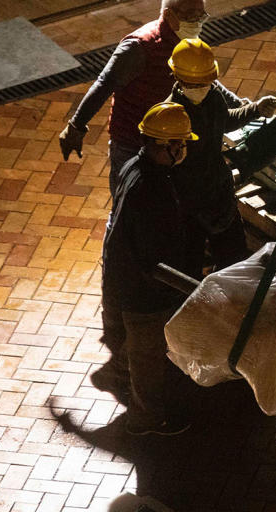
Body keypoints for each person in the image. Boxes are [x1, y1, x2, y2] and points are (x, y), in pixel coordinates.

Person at [59, 0, 245, 195]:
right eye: (190, 15)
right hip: (132, 143)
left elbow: (202, 78)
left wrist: (237, 103)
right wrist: (76, 127)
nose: (197, 22)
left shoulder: (189, 41)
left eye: (201, 16)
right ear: (168, 15)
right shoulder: (139, 47)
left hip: (169, 144)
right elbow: (104, 84)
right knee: (127, 204)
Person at [100, 102, 205, 435]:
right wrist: (195, 288)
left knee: (133, 345)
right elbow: (152, 261)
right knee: (147, 359)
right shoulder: (151, 191)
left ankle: (120, 375)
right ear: (167, 146)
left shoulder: (135, 166)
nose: (184, 149)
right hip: (143, 294)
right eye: (181, 143)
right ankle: (145, 419)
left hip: (126, 282)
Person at [165, 38, 276, 269]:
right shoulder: (169, 117)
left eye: (204, 82)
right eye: (194, 83)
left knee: (234, 259)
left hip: (218, 193)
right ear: (177, 79)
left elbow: (225, 121)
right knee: (190, 263)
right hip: (188, 203)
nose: (200, 88)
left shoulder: (213, 97)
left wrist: (255, 109)